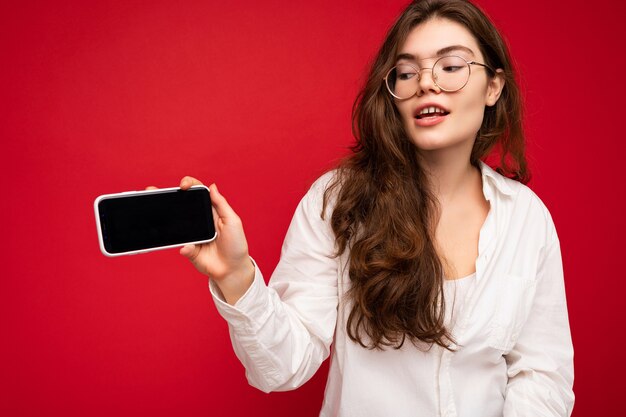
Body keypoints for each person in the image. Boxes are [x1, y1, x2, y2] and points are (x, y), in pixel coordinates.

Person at [175, 0, 574, 415]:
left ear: (493, 87)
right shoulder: (338, 201)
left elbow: (542, 374)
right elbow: (281, 368)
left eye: (451, 66)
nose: (426, 83)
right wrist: (237, 276)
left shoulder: (526, 218)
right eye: (407, 72)